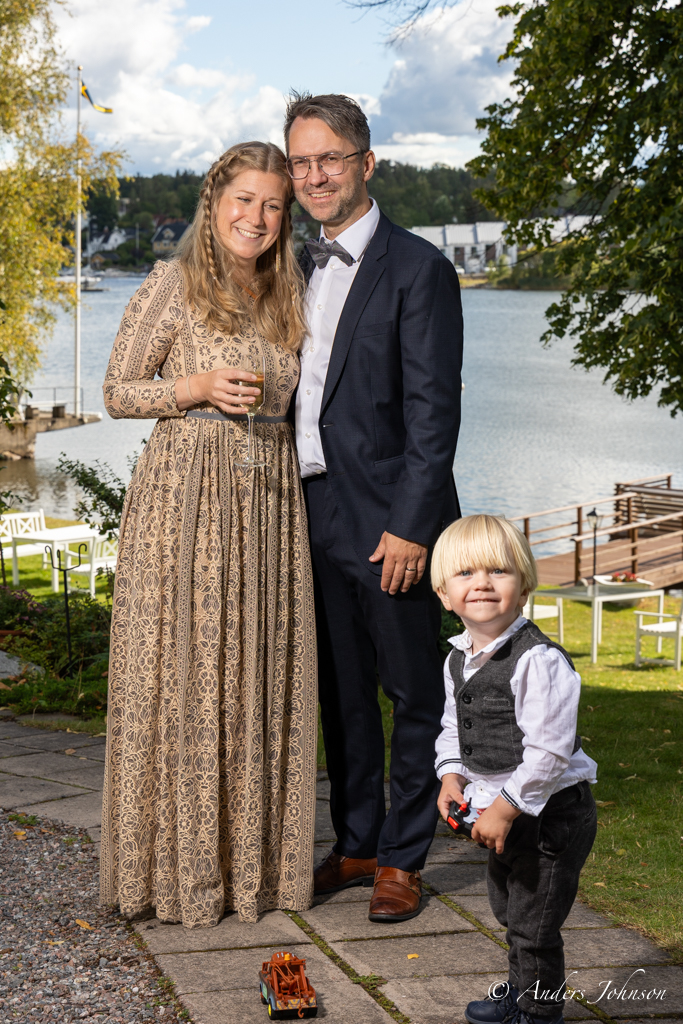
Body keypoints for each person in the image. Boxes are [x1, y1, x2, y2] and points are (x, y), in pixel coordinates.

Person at [100, 141, 317, 927]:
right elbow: (117, 391)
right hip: (185, 499)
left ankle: (248, 871)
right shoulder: (175, 281)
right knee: (187, 671)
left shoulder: (290, 292)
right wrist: (190, 386)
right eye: (243, 200)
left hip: (269, 504)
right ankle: (174, 873)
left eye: (272, 205)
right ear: (213, 202)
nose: (256, 217)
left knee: (256, 675)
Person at [283, 92, 463, 922]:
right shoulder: (291, 266)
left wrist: (412, 527)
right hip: (308, 513)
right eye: (300, 162)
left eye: (329, 158)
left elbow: (433, 414)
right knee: (342, 692)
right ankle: (355, 842)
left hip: (391, 520)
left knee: (412, 692)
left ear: (366, 163)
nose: (314, 175)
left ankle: (402, 857)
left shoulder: (418, 268)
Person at [433, 515, 598, 1024]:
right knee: (510, 910)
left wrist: (504, 810)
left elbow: (549, 752)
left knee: (535, 924)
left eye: (498, 571)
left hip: (549, 816)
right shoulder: (458, 660)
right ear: (444, 594)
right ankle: (523, 991)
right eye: (465, 573)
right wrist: (452, 776)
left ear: (524, 588)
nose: (482, 583)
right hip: (505, 812)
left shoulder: (538, 661)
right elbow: (455, 726)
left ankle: (540, 1013)